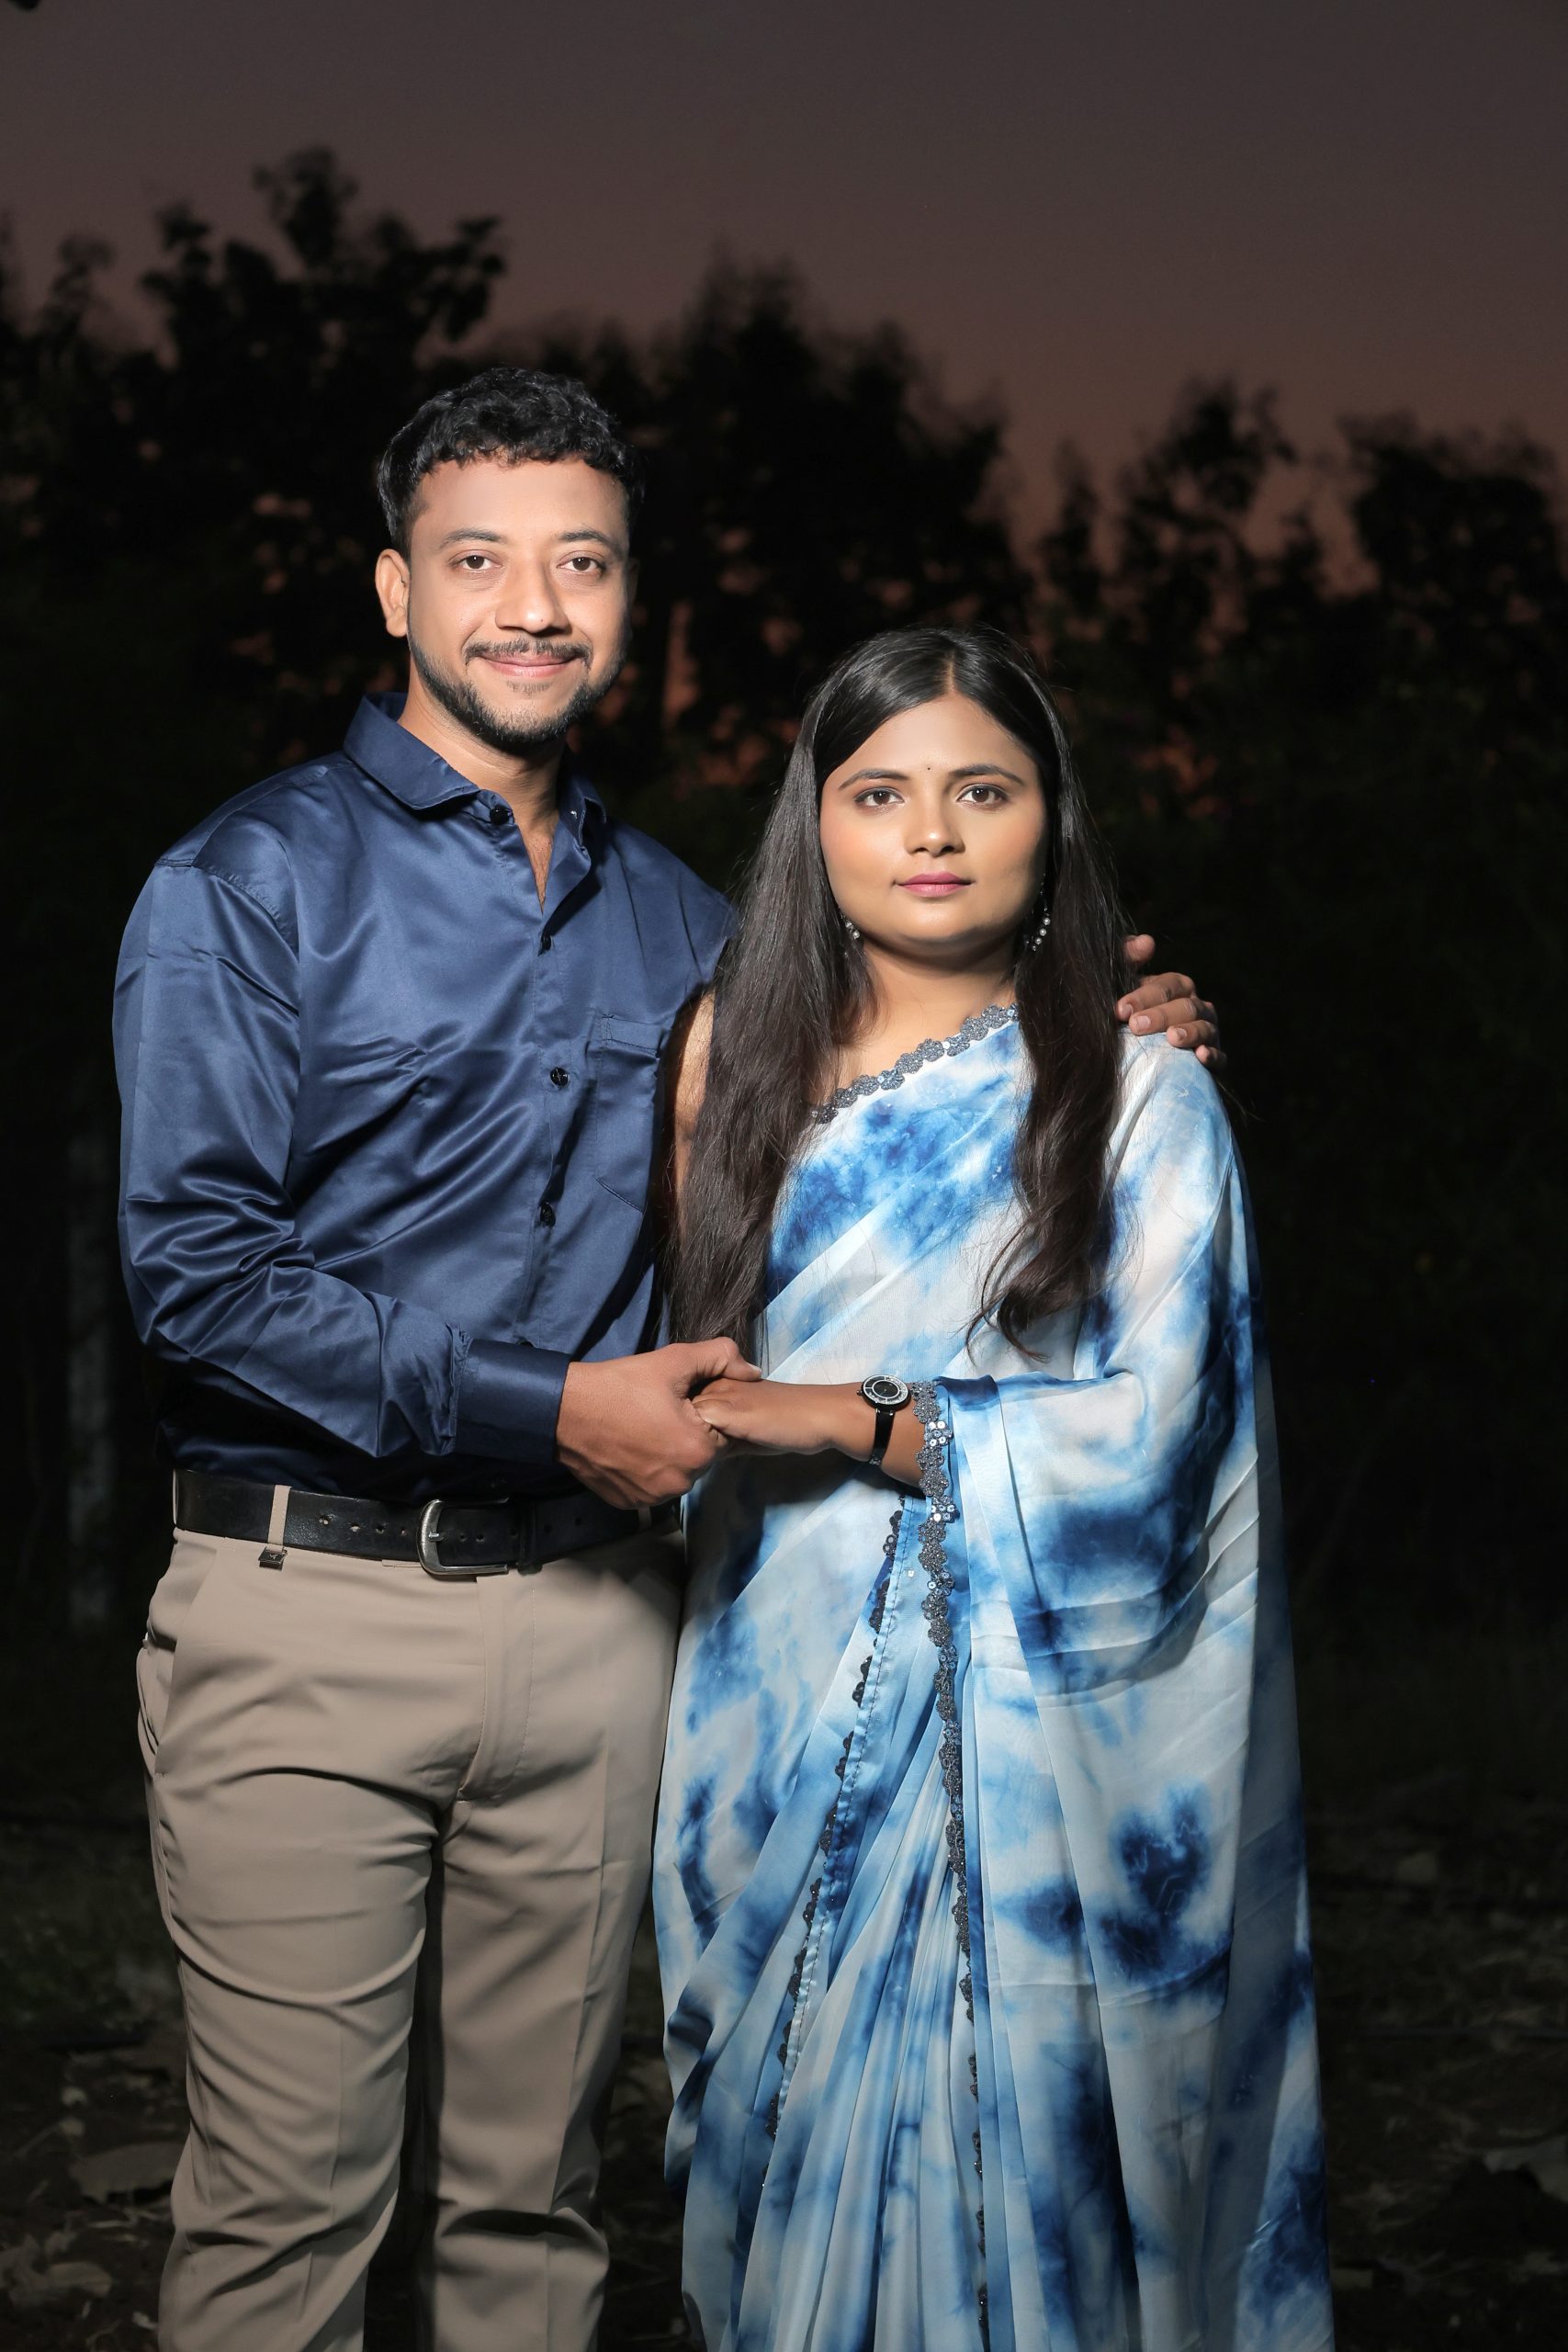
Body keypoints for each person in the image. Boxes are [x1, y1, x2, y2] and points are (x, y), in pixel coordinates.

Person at [116, 368, 1223, 2352]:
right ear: (396, 591)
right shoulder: (248, 882)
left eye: (583, 562)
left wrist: (1105, 1019)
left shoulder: (692, 925)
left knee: (533, 2211)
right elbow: (195, 1275)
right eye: (479, 561)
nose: (532, 605)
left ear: (630, 598)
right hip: (308, 1605)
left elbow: (904, 1082)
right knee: (287, 2214)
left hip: (609, 1625)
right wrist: (549, 1407)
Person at [658, 628, 1331, 2352]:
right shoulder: (724, 1059)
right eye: (879, 793)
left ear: (1053, 821)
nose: (933, 833)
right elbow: (665, 1380)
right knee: (774, 2195)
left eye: (984, 790)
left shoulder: (1141, 1094)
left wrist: (852, 1416)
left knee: (1006, 2197)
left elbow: (1157, 1444)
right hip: (761, 1701)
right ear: (815, 823)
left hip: (1029, 1752)